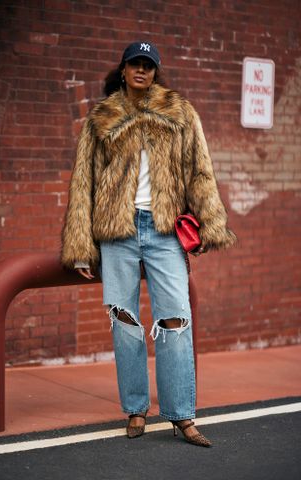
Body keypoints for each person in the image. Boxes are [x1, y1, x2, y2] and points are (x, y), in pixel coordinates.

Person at [61, 41, 236, 447]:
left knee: (176, 319)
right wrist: (81, 246)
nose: (141, 70)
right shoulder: (101, 118)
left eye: (148, 65)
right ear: (122, 70)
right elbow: (81, 184)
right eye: (134, 64)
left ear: (156, 72)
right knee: (124, 324)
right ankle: (136, 408)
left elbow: (200, 171)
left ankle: (182, 416)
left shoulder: (180, 113)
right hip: (116, 234)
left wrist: (210, 225)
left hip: (163, 232)